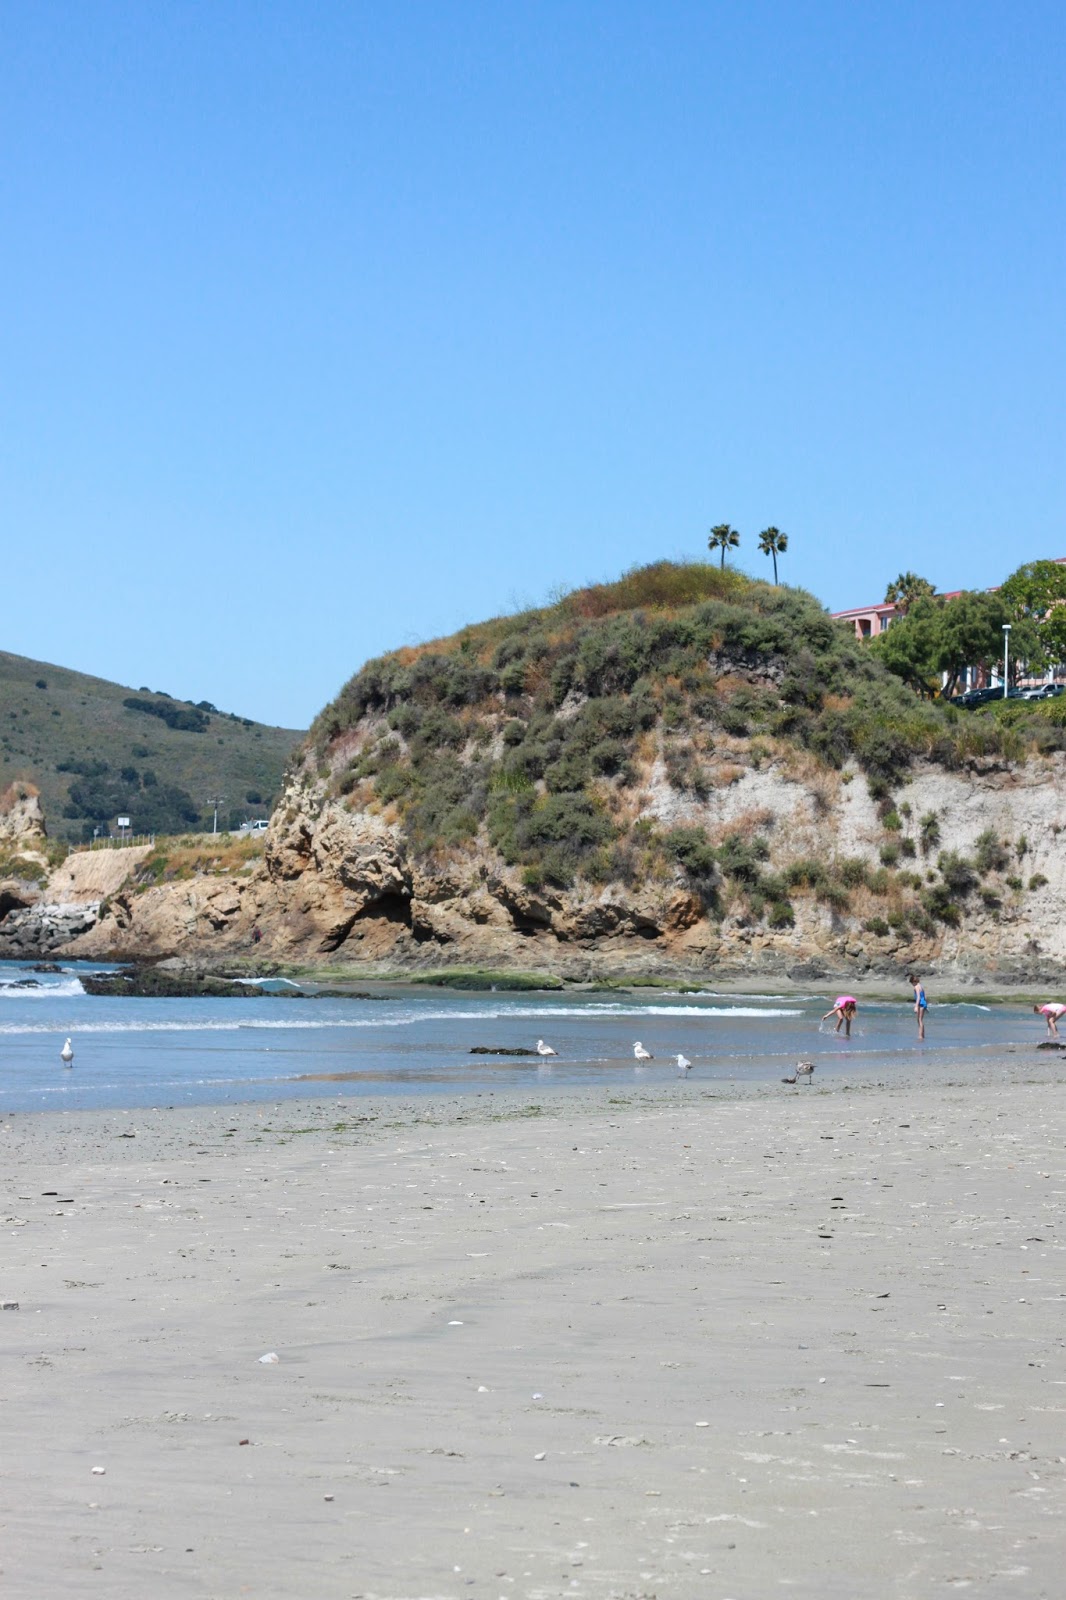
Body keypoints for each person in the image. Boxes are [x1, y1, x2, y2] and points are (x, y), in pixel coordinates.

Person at [908, 974, 928, 1040]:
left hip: (920, 1004)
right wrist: (926, 1006)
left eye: (912, 983)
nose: (912, 985)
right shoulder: (921, 986)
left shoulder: (916, 987)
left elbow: (918, 997)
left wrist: (916, 1006)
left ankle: (920, 1036)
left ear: (913, 982)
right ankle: (922, 1035)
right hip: (923, 1003)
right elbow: (925, 997)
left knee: (919, 1020)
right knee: (920, 1020)